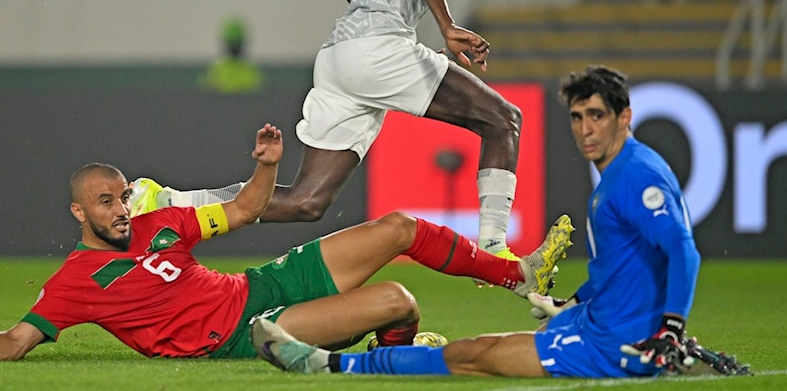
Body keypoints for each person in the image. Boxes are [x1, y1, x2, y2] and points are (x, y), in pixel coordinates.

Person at [0, 123, 574, 363]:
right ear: (79, 211)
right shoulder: (75, 283)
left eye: (123, 195)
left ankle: (517, 277)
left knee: (398, 227)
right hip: (250, 330)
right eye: (105, 202)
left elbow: (249, 208)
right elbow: (17, 341)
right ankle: (392, 358)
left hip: (265, 286)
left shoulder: (161, 223)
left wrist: (267, 163)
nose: (119, 208)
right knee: (397, 300)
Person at [252, 66, 751, 378]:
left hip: (610, 345)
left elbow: (682, 249)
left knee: (471, 356)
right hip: (597, 322)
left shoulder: (633, 178)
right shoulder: (626, 169)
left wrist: (668, 326)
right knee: (478, 350)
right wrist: (571, 302)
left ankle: (326, 363)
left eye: (597, 116)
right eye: (578, 117)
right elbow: (624, 267)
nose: (585, 129)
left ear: (625, 117)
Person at [261, 0, 524, 264]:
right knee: (503, 121)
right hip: (375, 48)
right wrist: (447, 25)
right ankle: (494, 248)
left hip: (339, 56)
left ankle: (173, 204)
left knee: (305, 201)